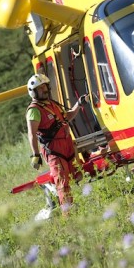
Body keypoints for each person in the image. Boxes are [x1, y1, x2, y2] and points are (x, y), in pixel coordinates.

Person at [25, 73, 86, 212]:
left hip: (67, 146)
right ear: (34, 92)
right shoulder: (34, 110)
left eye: (45, 87)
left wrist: (78, 104)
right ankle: (68, 216)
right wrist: (35, 154)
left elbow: (67, 117)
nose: (44, 90)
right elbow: (31, 133)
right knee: (62, 182)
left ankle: (75, 209)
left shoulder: (53, 104)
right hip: (54, 150)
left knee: (77, 175)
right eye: (40, 88)